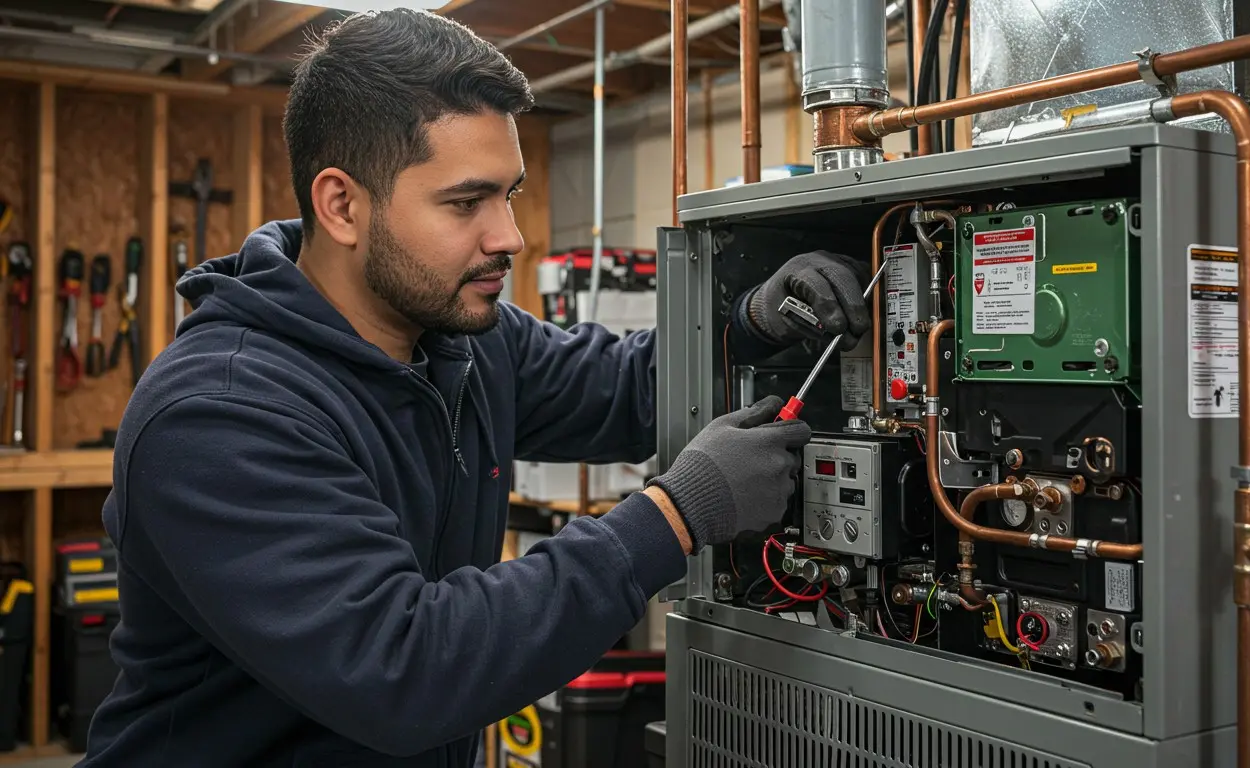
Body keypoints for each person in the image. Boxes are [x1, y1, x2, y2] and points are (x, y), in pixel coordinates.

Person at [77, 9, 872, 768]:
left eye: (509, 192)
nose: (509, 237)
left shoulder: (462, 339)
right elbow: (405, 669)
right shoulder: (221, 413)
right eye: (465, 202)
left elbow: (621, 388)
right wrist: (673, 516)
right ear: (342, 204)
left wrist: (756, 320)